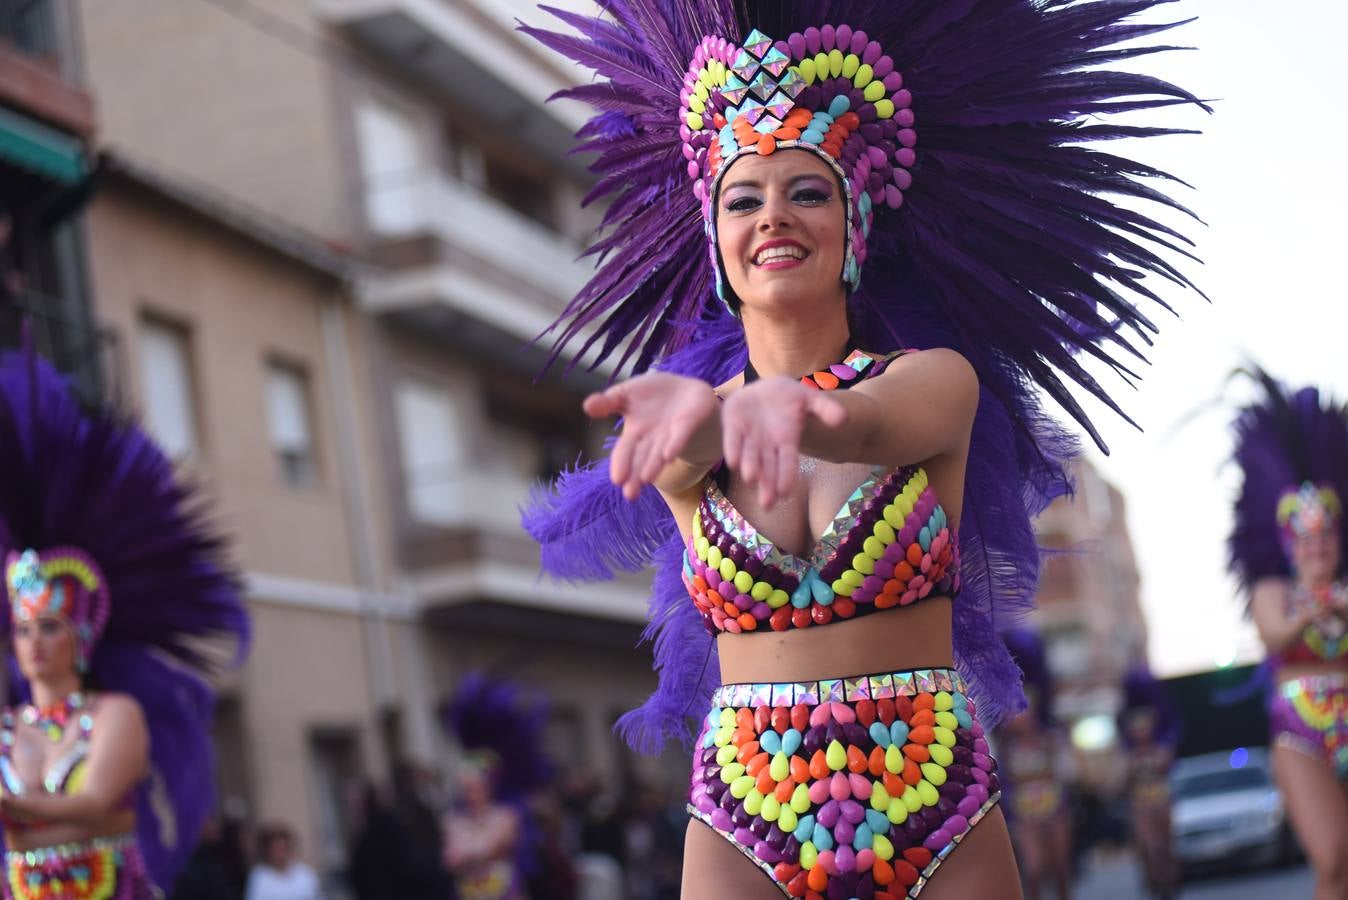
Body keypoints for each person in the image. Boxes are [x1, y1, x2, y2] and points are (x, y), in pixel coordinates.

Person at [522, 2, 1206, 896]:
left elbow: (870, 420)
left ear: (855, 226)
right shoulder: (697, 424)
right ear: (715, 236)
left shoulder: (935, 382)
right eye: (743, 198)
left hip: (933, 796)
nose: (774, 216)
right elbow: (690, 453)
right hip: (744, 812)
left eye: (807, 191)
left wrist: (791, 413)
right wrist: (701, 417)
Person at [0, 345, 250, 896]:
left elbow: (94, 806)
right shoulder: (7, 725)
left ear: (82, 636)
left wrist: (15, 814)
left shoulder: (116, 715)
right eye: (23, 628)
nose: (33, 643)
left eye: (50, 627)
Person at [1229, 370, 1348, 900]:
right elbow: (1275, 635)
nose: (1315, 547)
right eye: (1303, 538)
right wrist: (1315, 609)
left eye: (1325, 536)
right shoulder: (1273, 590)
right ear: (1284, 541)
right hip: (1299, 727)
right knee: (1334, 857)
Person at [442, 673, 551, 900]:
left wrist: (468, 852)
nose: (470, 791)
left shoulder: (506, 816)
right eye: (467, 786)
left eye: (475, 785)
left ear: (490, 785)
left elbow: (492, 846)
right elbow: (450, 859)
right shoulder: (455, 819)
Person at [996, 629, 1073, 900]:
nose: (1019, 716)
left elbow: (1067, 774)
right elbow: (1001, 783)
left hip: (1054, 807)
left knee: (1060, 868)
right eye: (1014, 711)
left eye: (1024, 709)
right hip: (1023, 813)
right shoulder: (1002, 746)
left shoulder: (1051, 738)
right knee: (1035, 869)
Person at [1115, 667, 1179, 900]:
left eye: (1145, 724)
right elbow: (1120, 782)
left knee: (1165, 848)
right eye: (1136, 726)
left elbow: (1168, 768)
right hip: (1140, 804)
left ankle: (1171, 888)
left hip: (1162, 800)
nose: (1141, 730)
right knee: (1150, 849)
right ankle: (1156, 887)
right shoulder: (1127, 756)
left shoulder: (1162, 750)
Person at [245, 823, 322, 900]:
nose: (280, 853)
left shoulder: (305, 874)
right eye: (275, 849)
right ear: (267, 850)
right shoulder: (259, 877)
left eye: (283, 848)